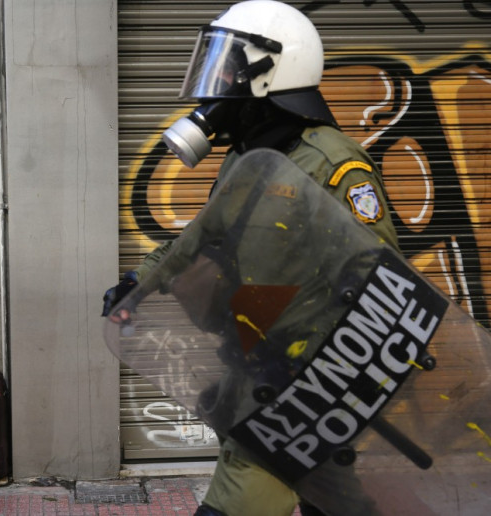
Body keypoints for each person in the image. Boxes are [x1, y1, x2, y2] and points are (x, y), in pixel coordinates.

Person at [102, 1, 399, 515]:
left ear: (270, 72)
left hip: (306, 381)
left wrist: (324, 361)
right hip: (252, 362)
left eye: (228, 66)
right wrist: (139, 283)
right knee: (335, 501)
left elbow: (383, 276)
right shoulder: (246, 157)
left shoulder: (332, 164)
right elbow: (200, 235)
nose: (215, 82)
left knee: (237, 500)